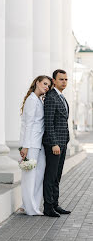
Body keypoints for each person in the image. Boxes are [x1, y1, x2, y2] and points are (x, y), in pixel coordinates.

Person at [19, 75, 52, 215]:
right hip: (31, 143)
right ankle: (29, 208)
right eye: (44, 83)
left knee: (39, 174)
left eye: (48, 85)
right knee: (29, 176)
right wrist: (25, 146)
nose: (46, 87)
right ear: (37, 82)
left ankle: (33, 205)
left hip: (39, 143)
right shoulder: (32, 100)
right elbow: (28, 124)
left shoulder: (39, 100)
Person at [42, 69, 71, 217]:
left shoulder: (61, 97)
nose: (64, 82)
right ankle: (47, 207)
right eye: (61, 79)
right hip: (54, 144)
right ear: (54, 81)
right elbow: (48, 123)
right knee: (51, 175)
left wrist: (65, 141)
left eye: (66, 79)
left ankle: (55, 204)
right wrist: (54, 143)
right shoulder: (51, 98)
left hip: (62, 143)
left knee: (58, 175)